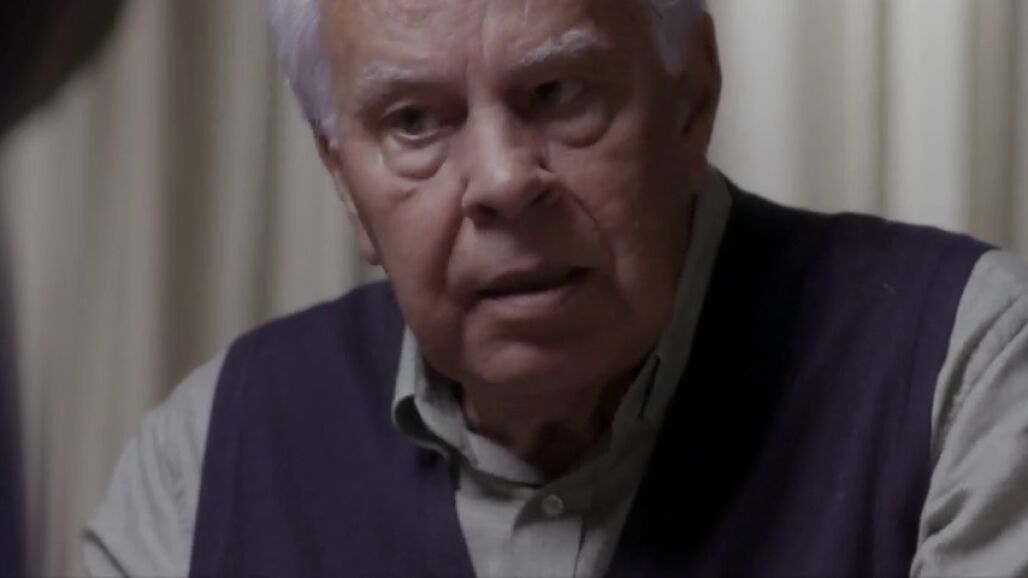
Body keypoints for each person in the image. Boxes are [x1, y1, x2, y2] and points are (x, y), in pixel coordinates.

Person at [84, 0, 1028, 576]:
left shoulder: (964, 370)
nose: (502, 182)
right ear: (341, 179)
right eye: (414, 122)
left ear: (691, 99)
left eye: (559, 92)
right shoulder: (201, 465)